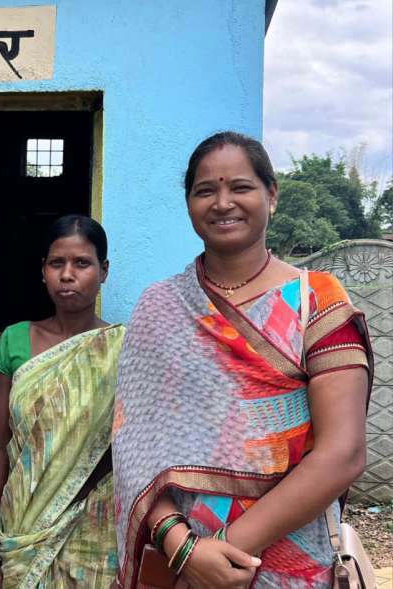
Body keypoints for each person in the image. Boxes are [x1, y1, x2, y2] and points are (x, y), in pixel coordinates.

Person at [112, 131, 373, 589]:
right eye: (205, 190)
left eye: (241, 187)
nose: (222, 203)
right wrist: (184, 547)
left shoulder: (317, 300)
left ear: (271, 195)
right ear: (188, 203)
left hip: (290, 562)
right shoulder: (160, 307)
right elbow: (133, 445)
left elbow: (343, 452)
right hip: (177, 561)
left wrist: (226, 550)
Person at [0, 215, 125, 589]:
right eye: (57, 263)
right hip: (21, 528)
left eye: (82, 263)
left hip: (94, 530)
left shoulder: (123, 348)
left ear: (104, 271)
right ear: (43, 270)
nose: (67, 275)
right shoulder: (14, 341)